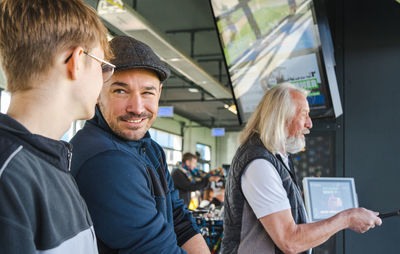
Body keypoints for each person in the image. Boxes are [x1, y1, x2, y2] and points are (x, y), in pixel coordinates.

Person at [70, 35, 210, 253]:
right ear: (98, 93)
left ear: (159, 93)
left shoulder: (150, 148)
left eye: (147, 92)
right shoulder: (105, 161)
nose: (136, 107)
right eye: (121, 91)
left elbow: (180, 220)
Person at [0, 0, 112, 253]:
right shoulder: (10, 176)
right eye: (102, 67)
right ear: (76, 60)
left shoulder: (52, 161)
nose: (104, 81)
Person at [221, 83, 382, 254]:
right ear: (281, 117)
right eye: (304, 114)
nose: (310, 123)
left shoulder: (277, 157)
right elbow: (291, 241)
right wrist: (347, 218)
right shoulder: (259, 164)